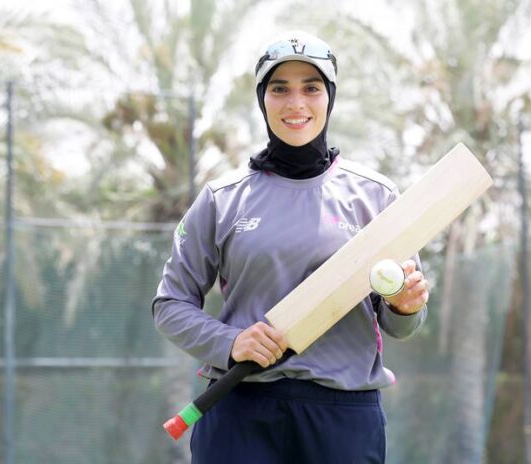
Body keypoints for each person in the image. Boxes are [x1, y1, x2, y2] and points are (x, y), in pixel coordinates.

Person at [152, 30, 430, 463]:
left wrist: (406, 307)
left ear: (330, 97)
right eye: (279, 88)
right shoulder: (222, 199)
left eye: (311, 88)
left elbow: (401, 327)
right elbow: (169, 305)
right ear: (262, 99)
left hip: (343, 417)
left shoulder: (374, 195)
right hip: (239, 409)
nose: (295, 103)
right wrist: (230, 343)